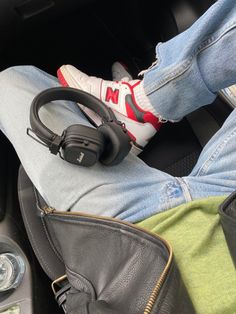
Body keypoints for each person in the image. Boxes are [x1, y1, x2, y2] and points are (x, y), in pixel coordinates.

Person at [0, 0, 236, 312]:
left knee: (11, 83)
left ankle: (142, 105)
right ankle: (144, 103)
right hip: (228, 197)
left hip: (127, 232)